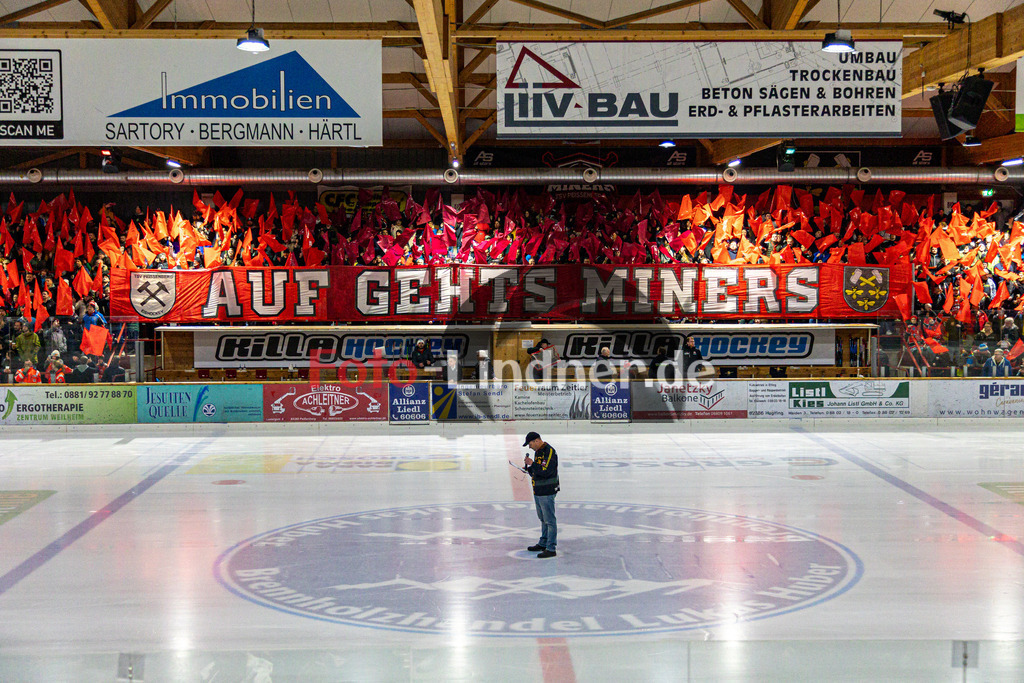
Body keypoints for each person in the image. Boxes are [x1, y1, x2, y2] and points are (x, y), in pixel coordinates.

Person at [523, 431, 559, 558]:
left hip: (546, 490)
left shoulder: (549, 451)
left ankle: (551, 547)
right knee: (543, 518)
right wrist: (529, 468)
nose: (529, 447)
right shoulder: (538, 451)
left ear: (537, 440)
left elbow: (545, 471)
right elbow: (537, 471)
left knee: (549, 520)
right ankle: (543, 543)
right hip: (538, 490)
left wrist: (533, 464)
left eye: (530, 444)